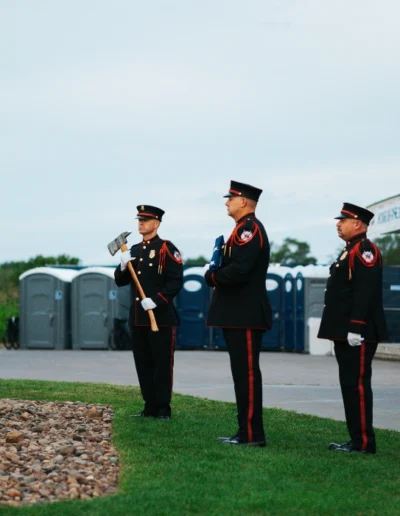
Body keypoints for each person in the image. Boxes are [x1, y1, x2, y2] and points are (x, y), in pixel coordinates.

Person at [204, 180, 272, 447]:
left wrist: (212, 276)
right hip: (237, 313)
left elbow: (240, 270)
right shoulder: (240, 229)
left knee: (247, 375)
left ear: (243, 201)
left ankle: (252, 434)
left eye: (230, 199)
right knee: (241, 375)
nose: (226, 203)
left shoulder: (249, 229)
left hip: (245, 313)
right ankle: (245, 431)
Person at [318, 202, 388, 454]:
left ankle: (364, 442)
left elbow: (365, 292)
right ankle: (356, 439)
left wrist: (356, 327)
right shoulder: (350, 250)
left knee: (357, 385)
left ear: (357, 223)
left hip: (359, 332)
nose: (338, 224)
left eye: (343, 220)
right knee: (349, 384)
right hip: (345, 331)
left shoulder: (364, 250)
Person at [114, 205, 183, 419]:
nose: (141, 223)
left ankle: (163, 408)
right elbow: (120, 281)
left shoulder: (166, 249)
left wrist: (156, 301)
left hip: (160, 318)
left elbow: (175, 282)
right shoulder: (133, 250)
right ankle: (149, 406)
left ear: (156, 223)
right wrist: (123, 266)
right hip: (138, 318)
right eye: (139, 220)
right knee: (143, 364)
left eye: (146, 220)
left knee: (161, 364)